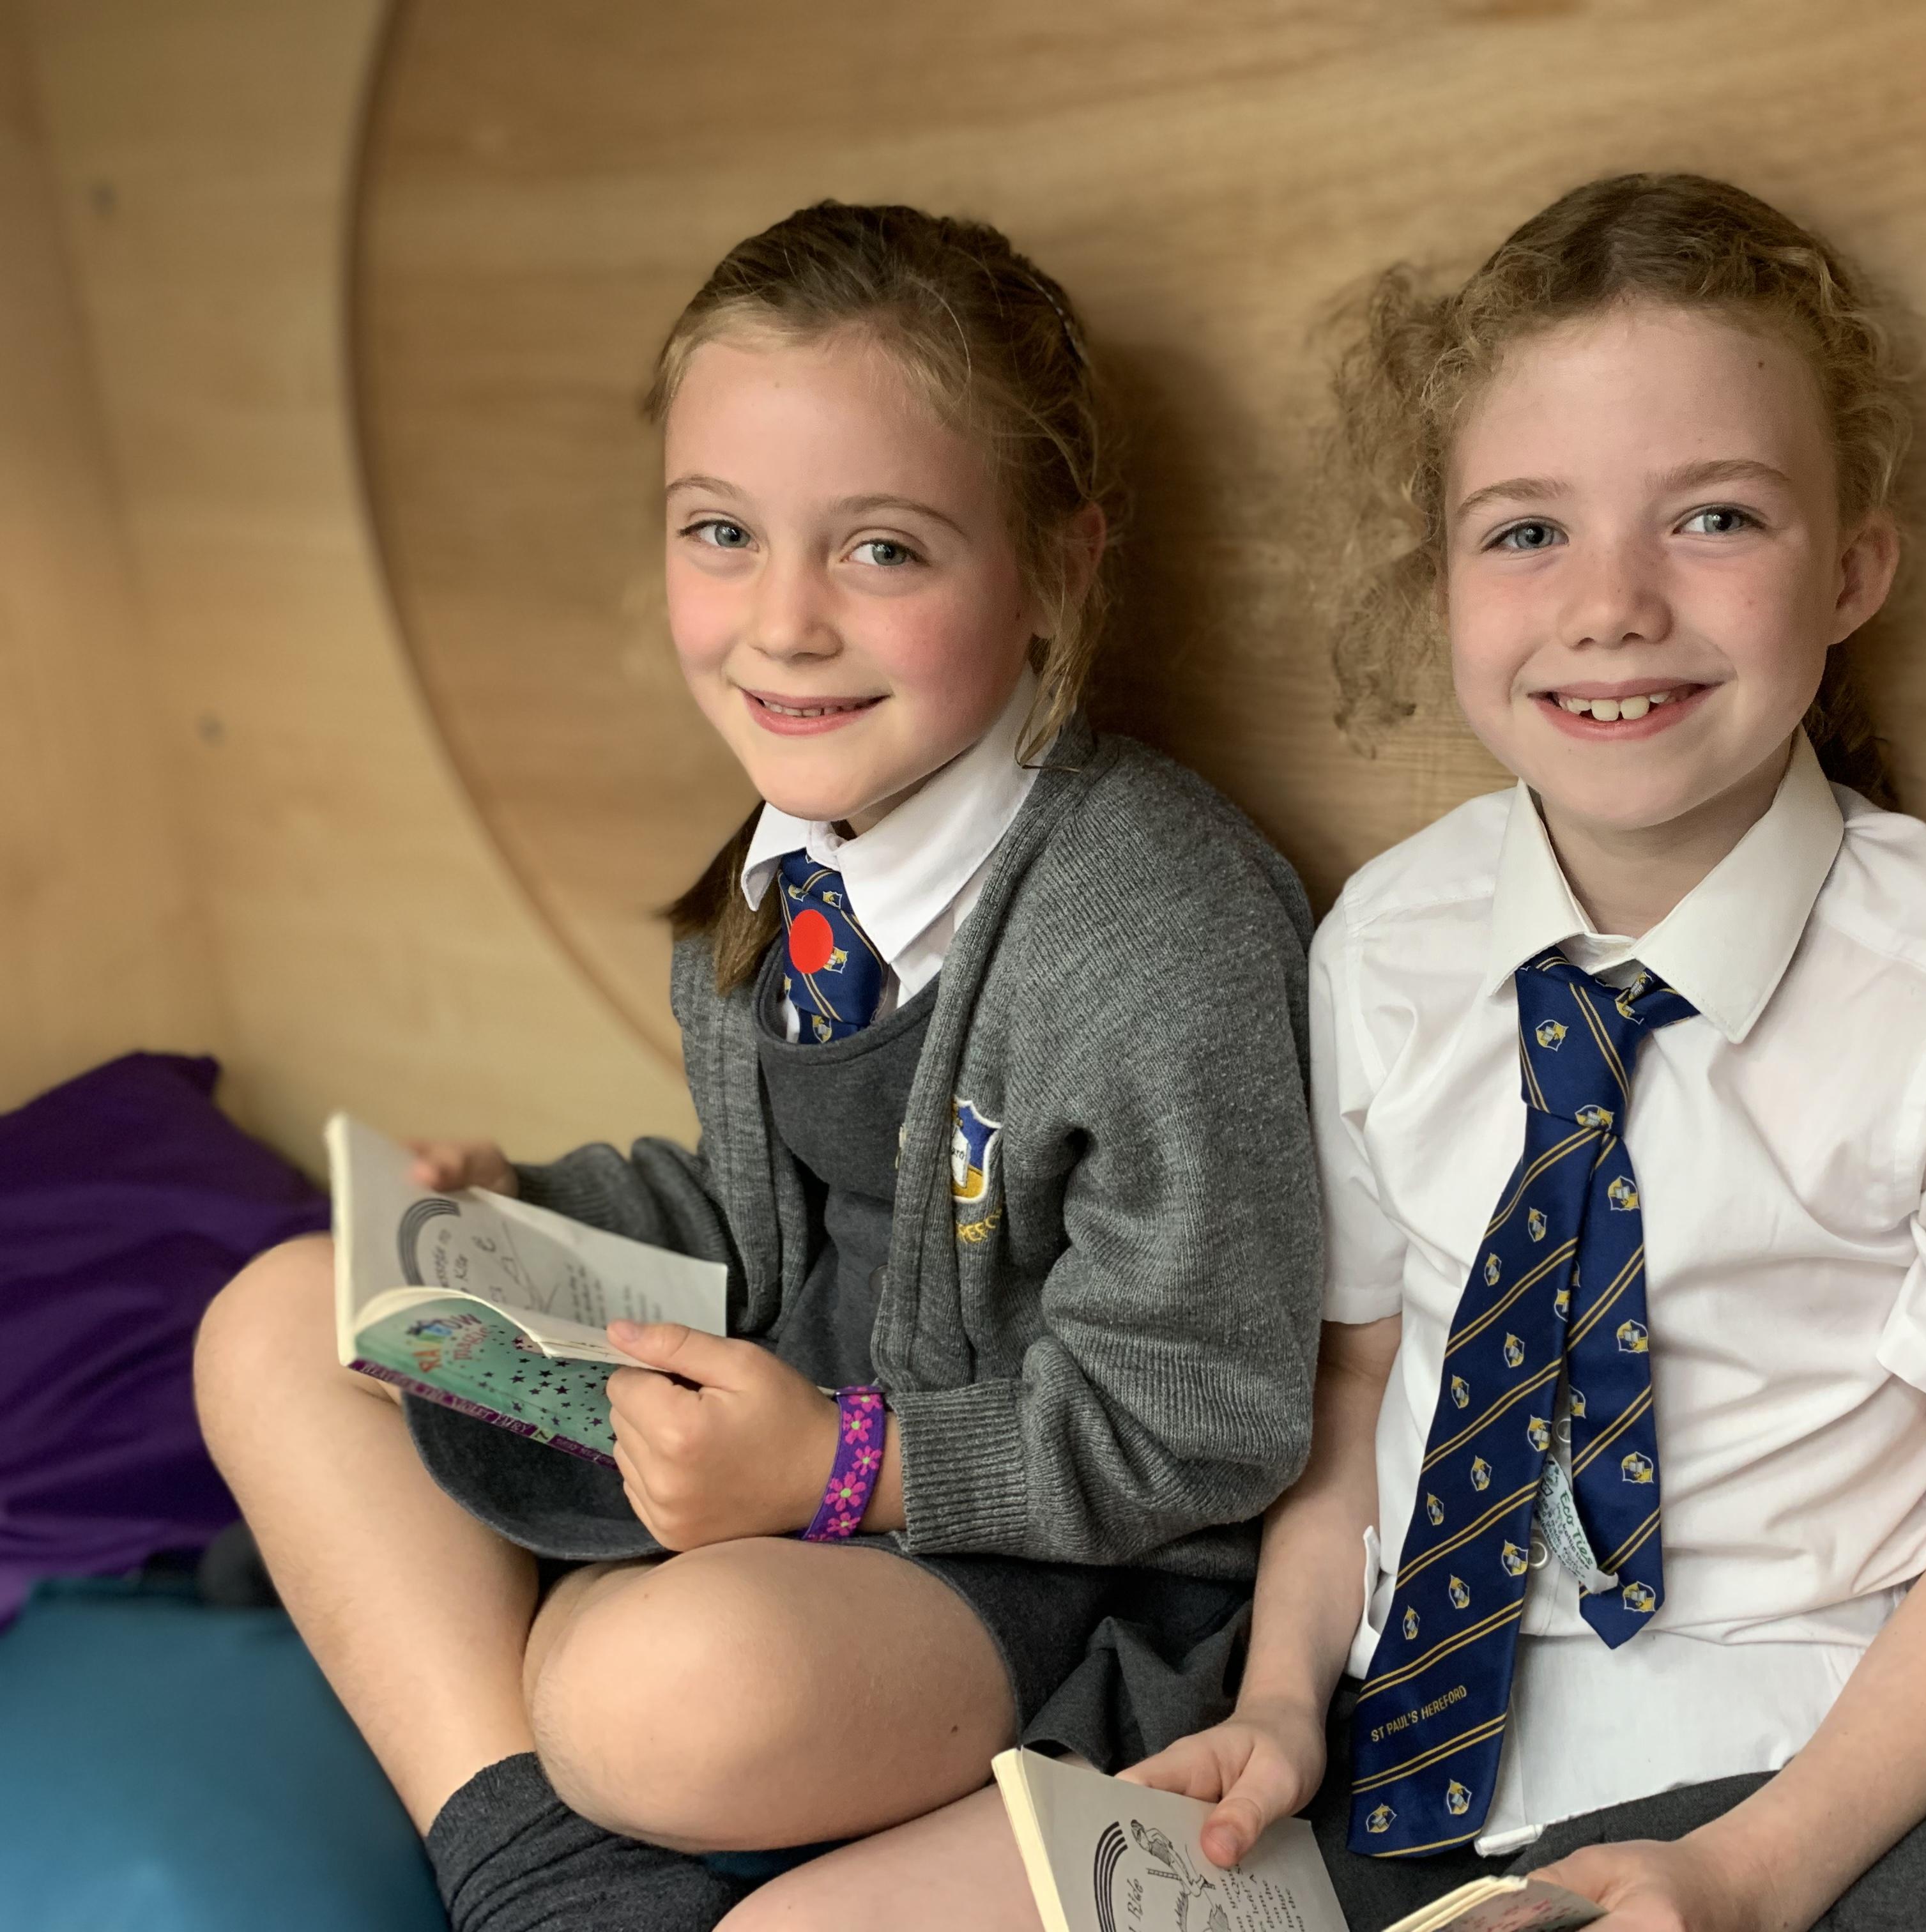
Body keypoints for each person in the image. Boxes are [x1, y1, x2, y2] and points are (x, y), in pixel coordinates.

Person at [193, 201, 1324, 1932]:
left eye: (882, 551)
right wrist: (526, 1216)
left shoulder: (1155, 929)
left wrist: (839, 1470)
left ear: (1059, 567)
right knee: (274, 1314)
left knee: (651, 1699)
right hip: (778, 1457)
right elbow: (769, 1225)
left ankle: (539, 1715)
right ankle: (557, 1883)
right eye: (722, 532)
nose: (784, 623)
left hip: (1045, 1562)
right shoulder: (777, 865)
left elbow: (1204, 1428)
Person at [1117, 172, 1926, 1932]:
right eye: (1526, 532)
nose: (1610, 604)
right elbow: (1364, 1396)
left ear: (1852, 571)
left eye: (1713, 518)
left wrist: (1750, 1873)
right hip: (1397, 1725)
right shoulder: (1385, 946)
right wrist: (1283, 1703)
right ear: (1442, 579)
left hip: (1803, 1762)